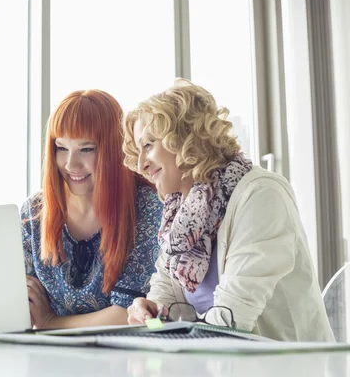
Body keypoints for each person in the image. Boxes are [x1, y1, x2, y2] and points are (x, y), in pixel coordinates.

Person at [122, 78, 334, 342]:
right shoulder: (182, 211)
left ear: (182, 137)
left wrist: (168, 332)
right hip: (216, 362)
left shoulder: (260, 194)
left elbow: (232, 322)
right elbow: (164, 290)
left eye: (148, 145)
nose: (141, 164)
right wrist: (149, 312)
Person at [21, 89, 163, 329]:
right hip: (46, 358)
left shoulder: (146, 206)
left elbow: (129, 315)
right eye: (61, 148)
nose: (70, 164)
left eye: (86, 149)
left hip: (125, 359)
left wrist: (50, 322)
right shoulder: (34, 213)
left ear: (114, 149)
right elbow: (18, 300)